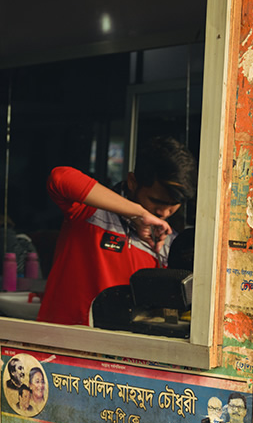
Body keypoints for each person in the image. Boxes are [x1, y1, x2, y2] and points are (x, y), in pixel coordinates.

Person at [37, 136, 197, 326]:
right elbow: (60, 177)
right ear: (132, 182)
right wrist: (137, 214)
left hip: (118, 349)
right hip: (61, 340)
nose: (164, 212)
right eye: (156, 201)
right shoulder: (91, 210)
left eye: (173, 205)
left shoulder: (167, 241)